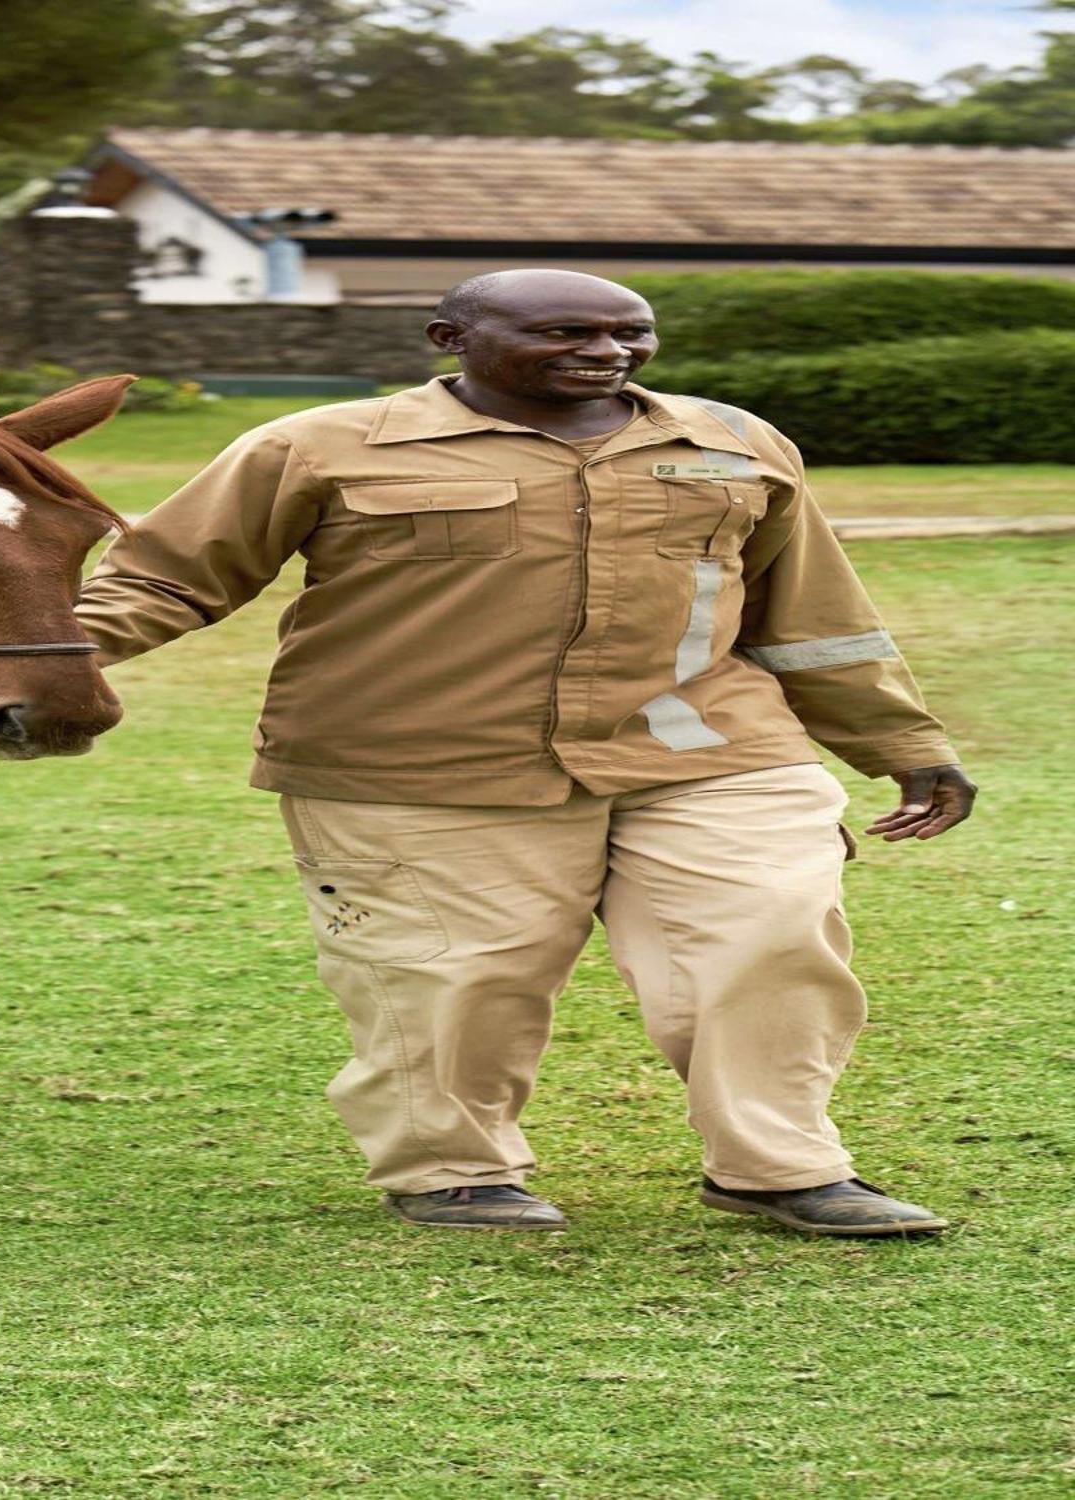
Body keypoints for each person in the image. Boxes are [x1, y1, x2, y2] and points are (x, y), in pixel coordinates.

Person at [76, 269, 976, 1236]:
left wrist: (900, 741)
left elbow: (811, 614)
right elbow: (165, 581)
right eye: (564, 333)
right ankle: (453, 1168)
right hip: (419, 764)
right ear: (449, 338)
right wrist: (31, 668)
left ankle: (780, 1165)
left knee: (772, 929)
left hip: (705, 744)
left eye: (631, 334)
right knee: (456, 974)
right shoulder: (318, 446)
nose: (606, 353)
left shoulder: (732, 442)